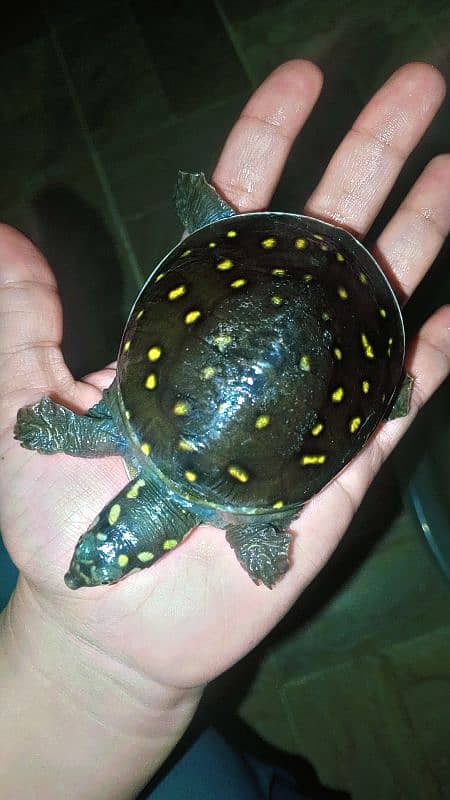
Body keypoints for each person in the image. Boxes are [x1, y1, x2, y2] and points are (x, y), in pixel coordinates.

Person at [0, 59, 449, 800]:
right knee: (387, 398)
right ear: (144, 534)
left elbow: (268, 536)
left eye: (96, 553)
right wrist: (54, 430)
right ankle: (218, 229)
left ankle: (226, 236)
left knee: (389, 400)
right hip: (288, 299)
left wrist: (261, 540)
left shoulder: (237, 510)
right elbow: (264, 540)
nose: (96, 562)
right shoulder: (119, 430)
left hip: (296, 310)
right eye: (115, 558)